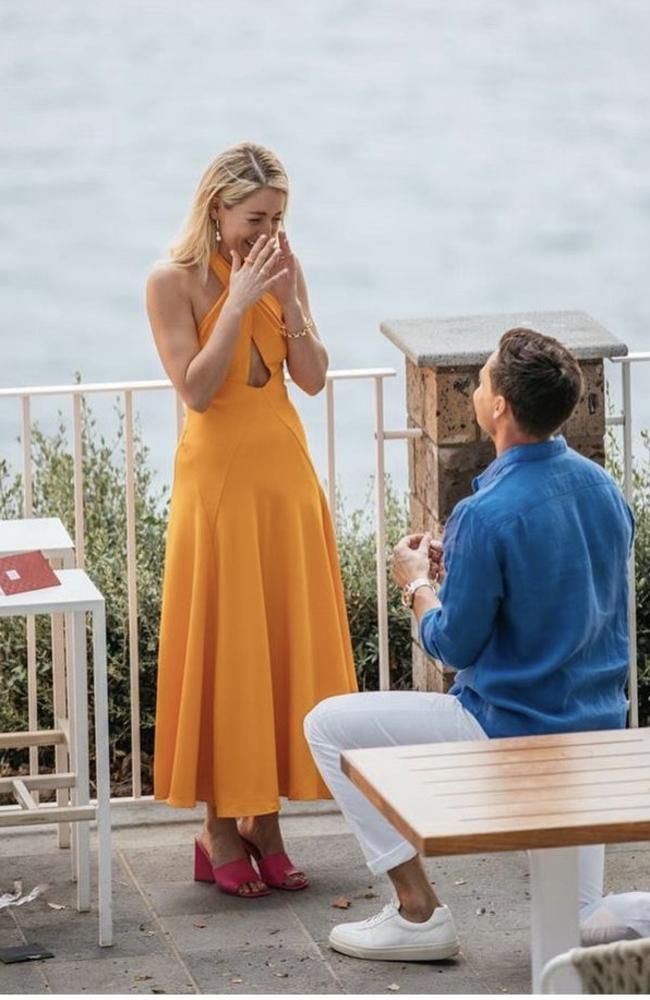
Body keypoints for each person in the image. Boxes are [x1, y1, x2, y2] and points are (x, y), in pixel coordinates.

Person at [305, 328, 648, 960]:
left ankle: (417, 914)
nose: (478, 386)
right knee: (579, 925)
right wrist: (459, 561)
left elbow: (452, 647)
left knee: (327, 725)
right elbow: (561, 587)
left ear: (499, 408)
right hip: (596, 736)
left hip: (508, 733)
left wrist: (416, 585)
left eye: (483, 379)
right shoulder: (604, 490)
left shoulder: (485, 515)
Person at [147, 142, 357, 899]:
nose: (264, 231)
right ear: (216, 210)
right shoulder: (171, 284)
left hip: (287, 488)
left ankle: (265, 825)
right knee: (226, 651)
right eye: (253, 218)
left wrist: (291, 303)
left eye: (276, 218)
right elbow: (197, 391)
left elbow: (311, 377)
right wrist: (235, 302)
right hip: (220, 493)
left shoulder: (280, 272)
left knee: (274, 654)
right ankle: (217, 827)